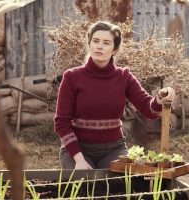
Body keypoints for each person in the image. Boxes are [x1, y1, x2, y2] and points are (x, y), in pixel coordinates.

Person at [54, 21, 175, 169]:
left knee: (120, 185)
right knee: (81, 186)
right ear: (89, 43)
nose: (99, 46)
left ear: (114, 50)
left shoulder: (123, 77)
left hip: (113, 149)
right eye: (95, 41)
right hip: (78, 149)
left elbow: (148, 109)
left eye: (106, 43)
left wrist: (160, 98)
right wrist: (79, 160)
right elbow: (62, 122)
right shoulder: (72, 77)